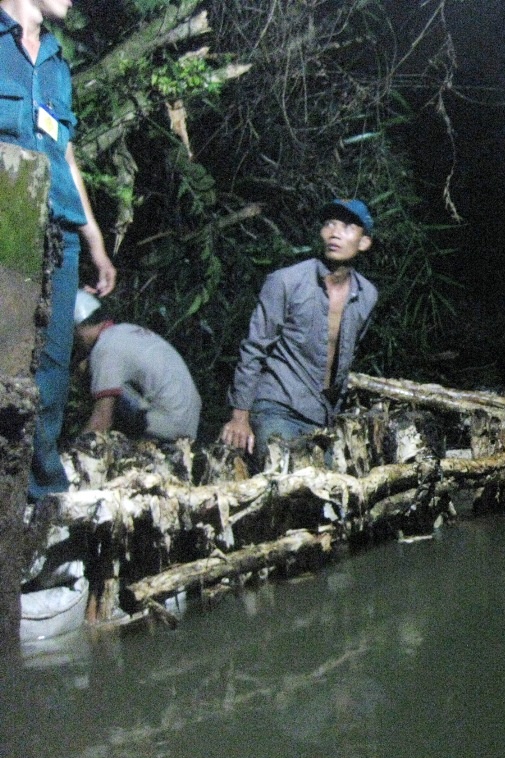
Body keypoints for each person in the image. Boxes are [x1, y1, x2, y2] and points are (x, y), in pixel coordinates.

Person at [2, 0, 118, 501]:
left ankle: (41, 496)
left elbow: (65, 154)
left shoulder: (56, 61)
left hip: (60, 236)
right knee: (7, 364)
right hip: (8, 231)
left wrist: (93, 236)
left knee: (51, 368)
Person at [220, 198, 378, 463]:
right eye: (329, 224)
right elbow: (254, 347)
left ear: (364, 242)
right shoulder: (286, 281)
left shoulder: (367, 295)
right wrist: (240, 417)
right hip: (276, 406)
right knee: (289, 481)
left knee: (335, 495)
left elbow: (347, 357)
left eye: (348, 226)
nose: (335, 232)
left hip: (322, 415)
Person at [72, 291, 201, 440]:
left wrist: (71, 452)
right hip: (188, 425)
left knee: (104, 389)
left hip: (167, 428)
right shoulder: (124, 330)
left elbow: (101, 422)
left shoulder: (105, 347)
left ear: (78, 329)